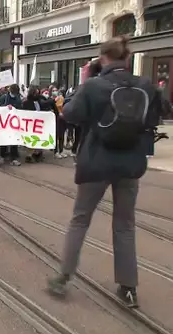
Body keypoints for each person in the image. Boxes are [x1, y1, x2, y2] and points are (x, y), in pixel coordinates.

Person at [47, 36, 163, 307]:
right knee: (124, 225)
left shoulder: (93, 85)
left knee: (80, 220)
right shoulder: (144, 85)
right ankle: (128, 288)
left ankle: (63, 278)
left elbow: (70, 114)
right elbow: (153, 119)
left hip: (97, 163)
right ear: (128, 59)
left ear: (102, 59)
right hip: (129, 165)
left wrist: (85, 81)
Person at [22, 85, 58, 163]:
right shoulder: (26, 102)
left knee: (39, 138)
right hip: (31, 124)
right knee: (31, 139)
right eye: (36, 93)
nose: (37, 94)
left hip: (38, 124)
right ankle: (29, 155)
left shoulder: (39, 101)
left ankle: (37, 153)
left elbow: (43, 108)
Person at [0, 84, 23, 166]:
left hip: (14, 123)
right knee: (4, 139)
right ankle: (2, 155)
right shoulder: (4, 97)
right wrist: (6, 107)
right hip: (5, 122)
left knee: (14, 141)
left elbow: (20, 108)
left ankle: (13, 158)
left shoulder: (18, 99)